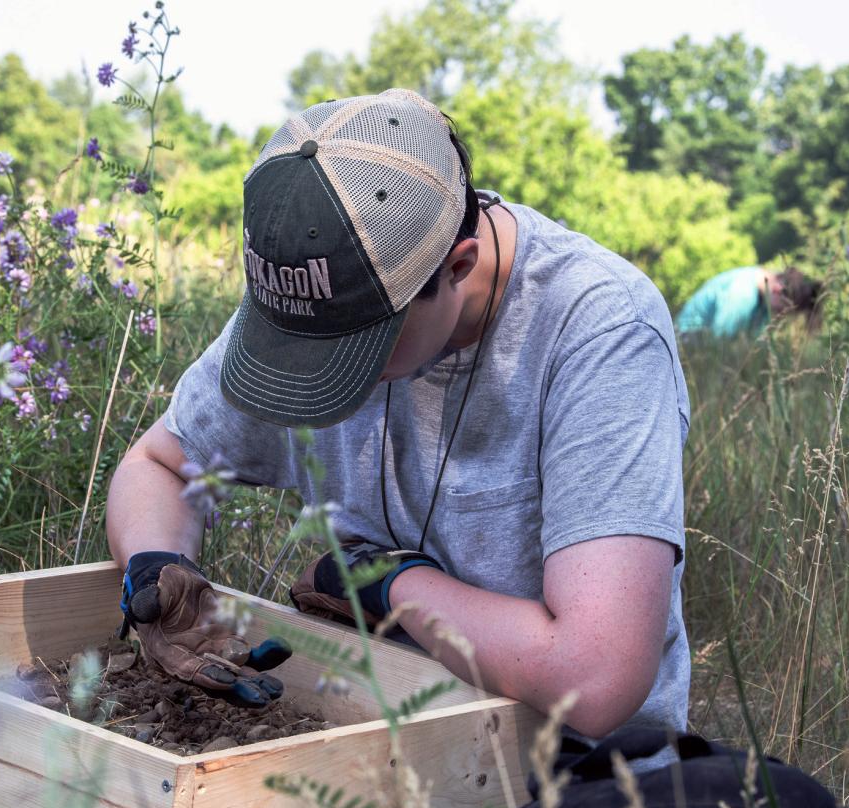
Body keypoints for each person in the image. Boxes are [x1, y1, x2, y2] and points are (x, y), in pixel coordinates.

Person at [106, 89, 691, 766]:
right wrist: (159, 567)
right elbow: (157, 464)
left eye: (358, 349)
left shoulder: (600, 332)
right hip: (373, 739)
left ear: (458, 266)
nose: (321, 373)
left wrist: (389, 585)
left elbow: (595, 676)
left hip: (567, 771)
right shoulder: (317, 295)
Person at [674, 265, 822, 339]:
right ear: (778, 290)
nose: (780, 315)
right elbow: (720, 345)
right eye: (782, 310)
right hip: (685, 343)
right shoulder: (742, 294)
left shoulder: (763, 298)